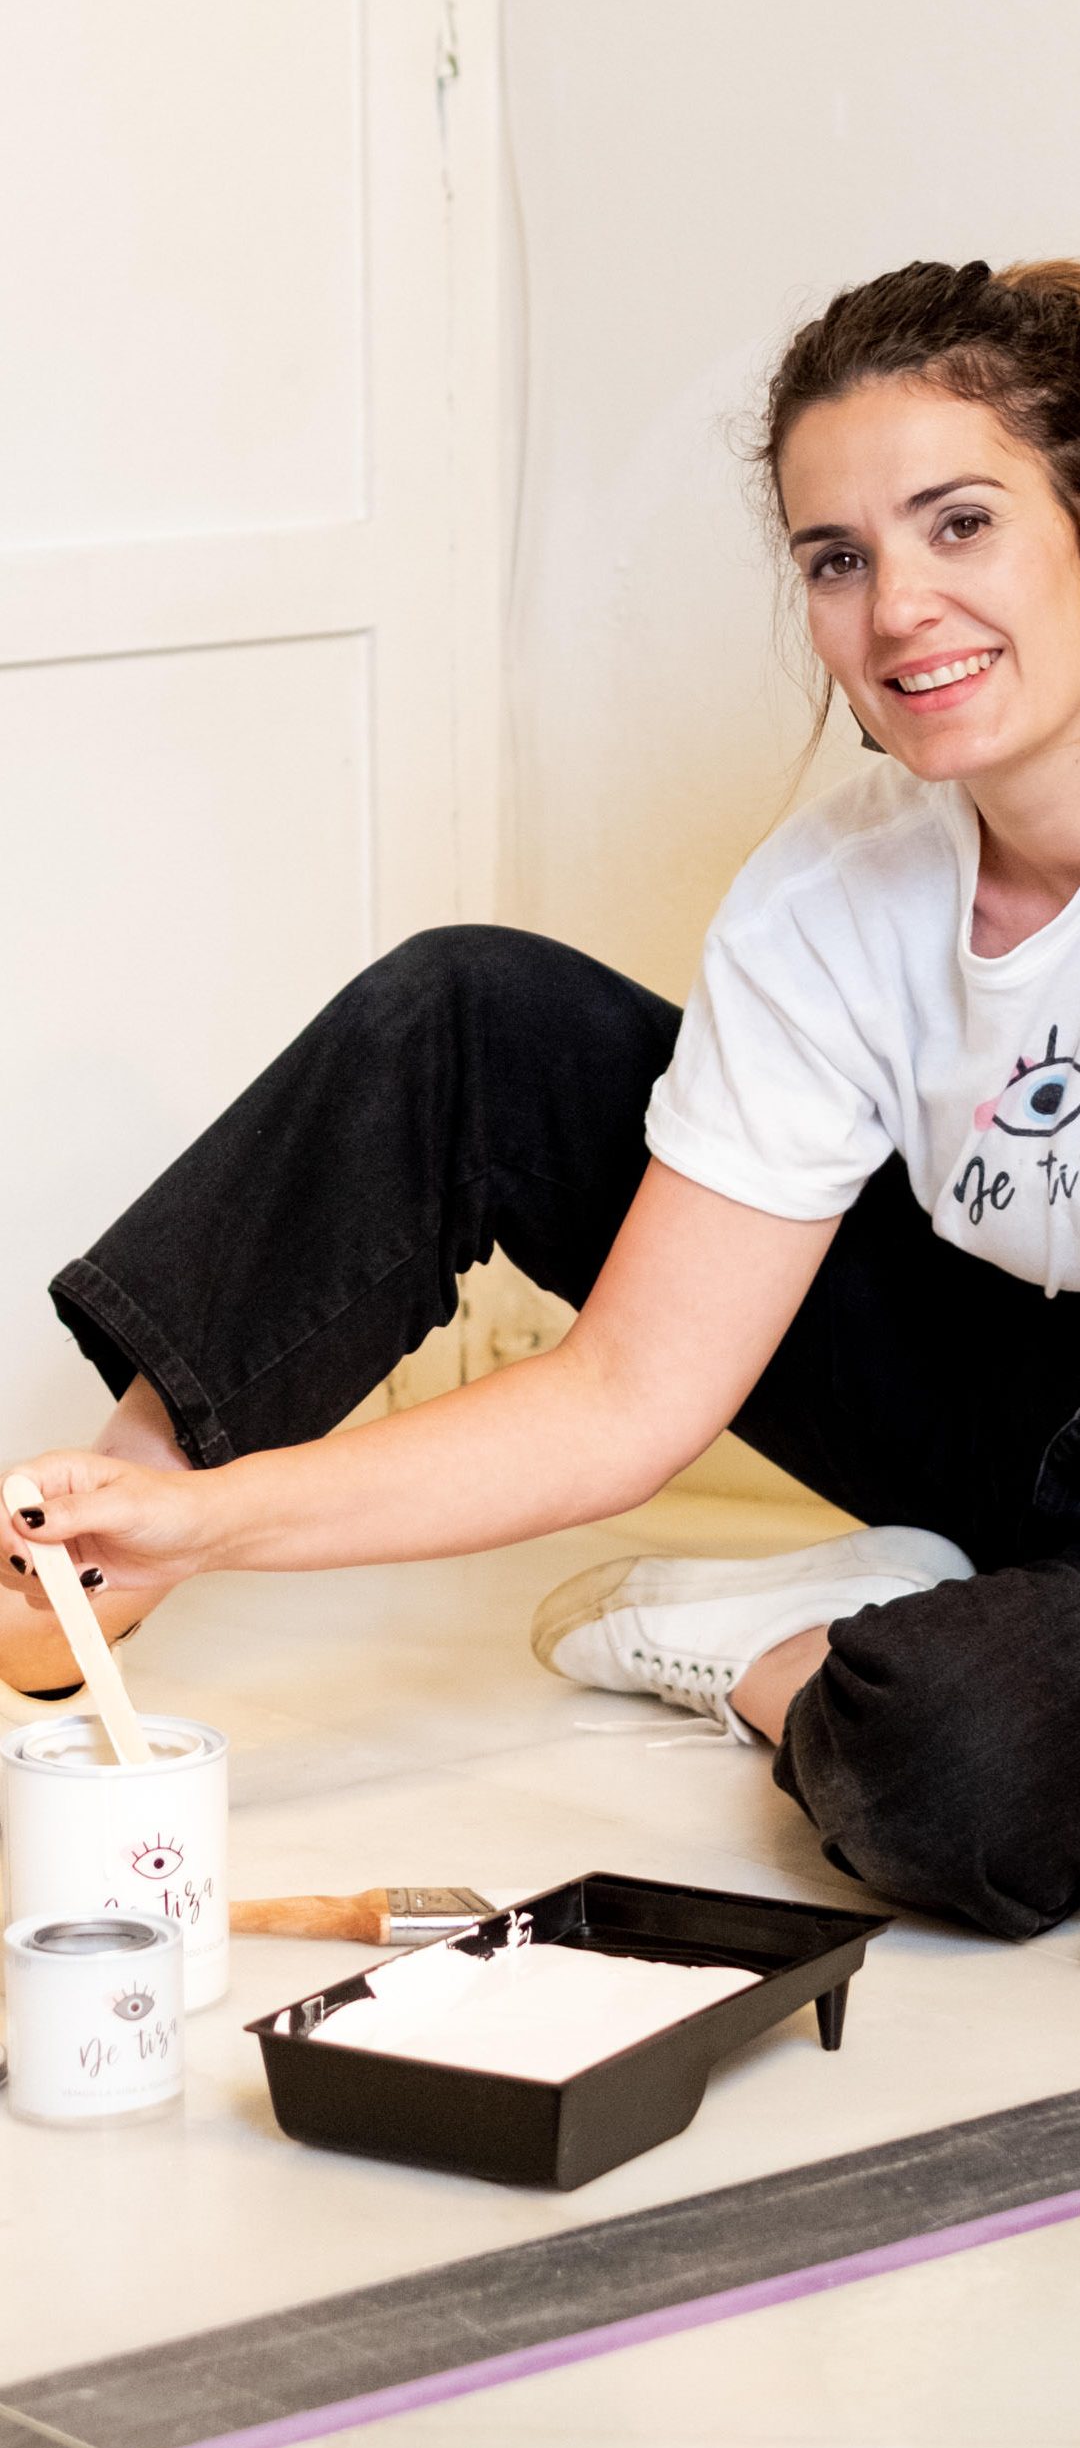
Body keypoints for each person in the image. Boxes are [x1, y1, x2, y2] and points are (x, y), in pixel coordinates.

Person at [7, 253, 1080, 1942]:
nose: (896, 612)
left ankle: (796, 1650)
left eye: (961, 525)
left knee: (954, 1766)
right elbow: (631, 1390)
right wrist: (205, 1522)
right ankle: (84, 1557)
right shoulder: (836, 896)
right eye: (837, 558)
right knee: (473, 1013)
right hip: (1001, 1401)